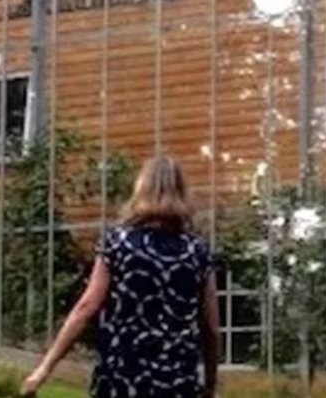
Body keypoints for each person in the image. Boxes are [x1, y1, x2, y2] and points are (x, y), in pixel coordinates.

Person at [21, 156, 221, 398]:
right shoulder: (197, 251)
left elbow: (86, 307)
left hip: (121, 375)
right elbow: (210, 326)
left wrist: (44, 369)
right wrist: (210, 383)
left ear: (140, 189)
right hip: (176, 380)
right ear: (181, 193)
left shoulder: (117, 243)